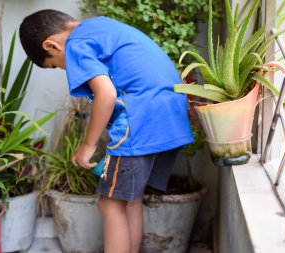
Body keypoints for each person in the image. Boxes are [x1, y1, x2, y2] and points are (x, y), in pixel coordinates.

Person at [19, 10, 194, 253]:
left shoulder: (76, 43)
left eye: (55, 66)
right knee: (129, 201)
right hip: (170, 119)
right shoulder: (102, 28)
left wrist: (88, 146)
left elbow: (106, 93)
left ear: (51, 44)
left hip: (140, 121)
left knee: (110, 205)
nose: (64, 69)